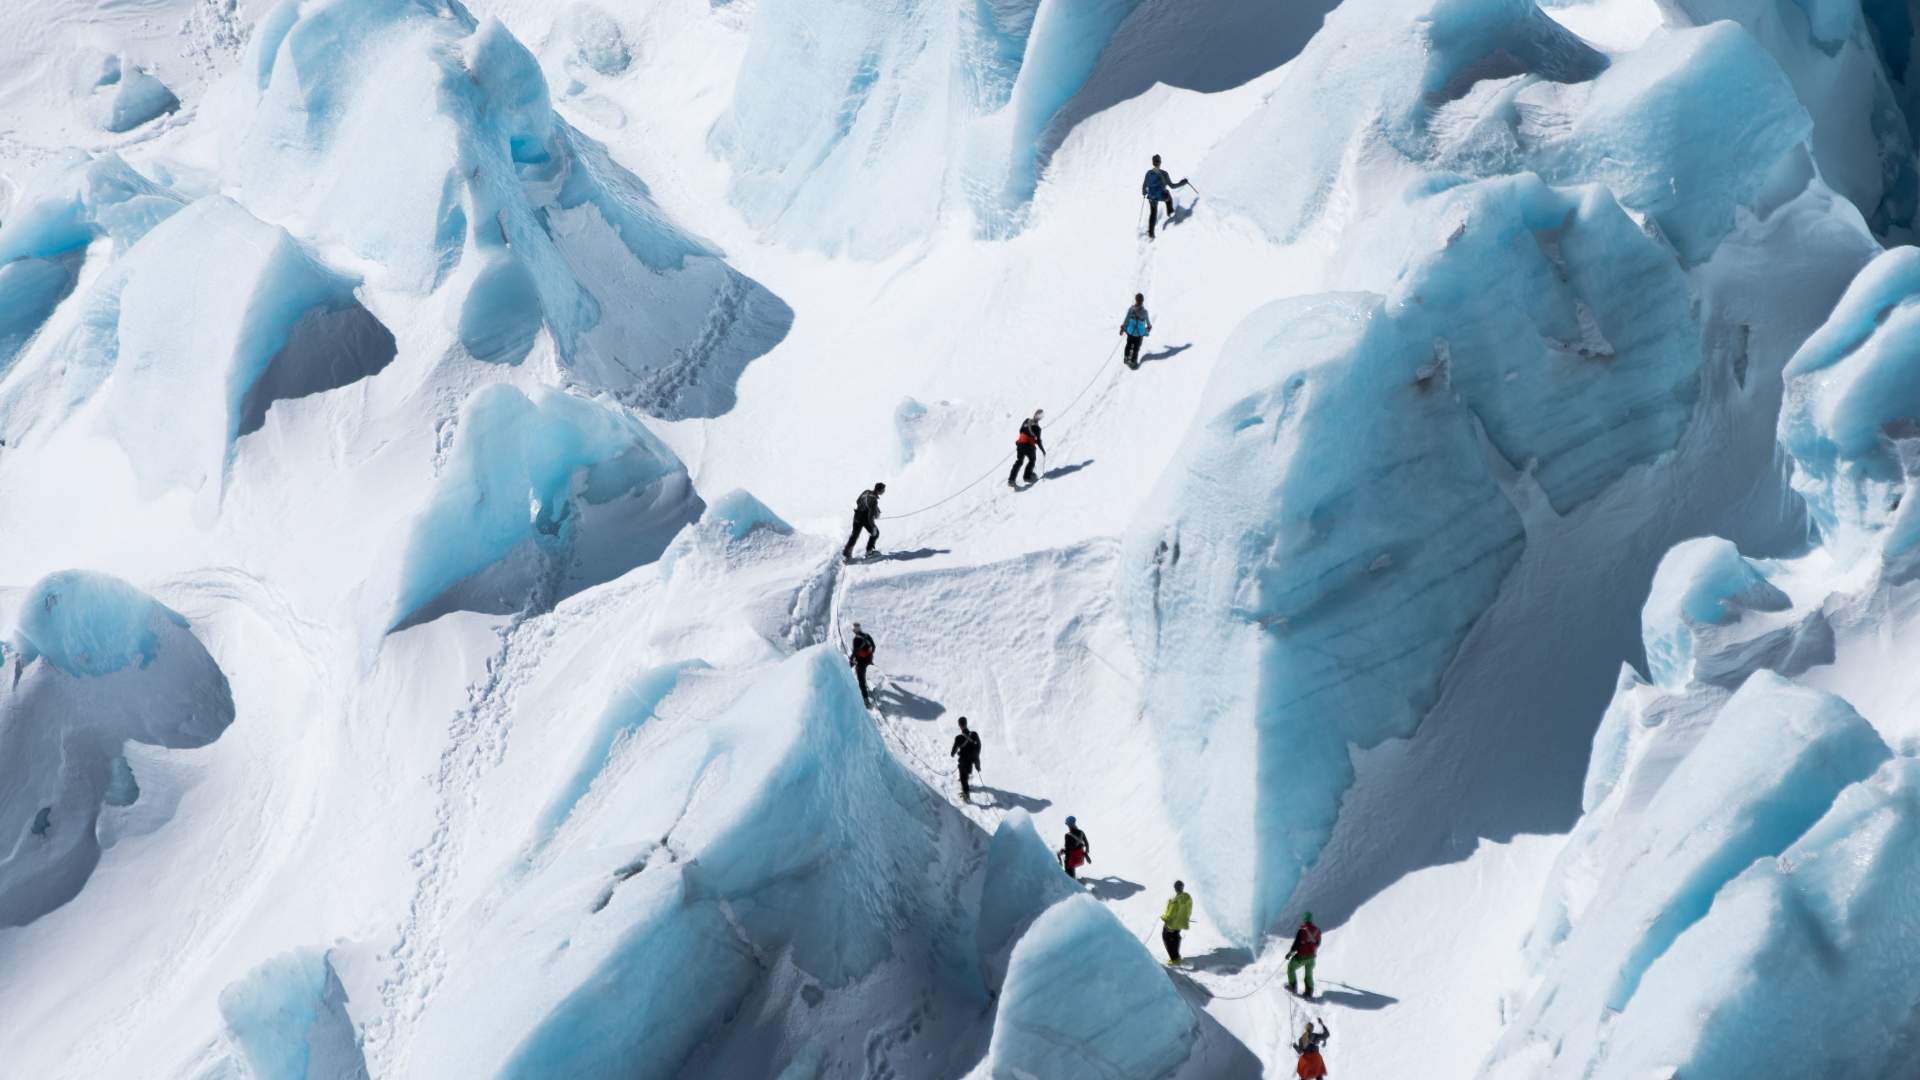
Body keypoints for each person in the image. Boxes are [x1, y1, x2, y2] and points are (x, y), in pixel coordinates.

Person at [1141, 154, 1190, 239]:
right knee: (1168, 196)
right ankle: (1170, 213)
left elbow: (1144, 186)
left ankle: (1151, 233)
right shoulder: (1164, 173)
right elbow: (1172, 186)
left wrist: (1144, 193)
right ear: (1160, 162)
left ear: (1153, 162)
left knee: (1153, 213)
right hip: (1161, 196)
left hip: (1151, 197)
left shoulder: (1148, 173)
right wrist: (1183, 182)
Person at [843, 482, 885, 562]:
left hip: (857, 515)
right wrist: (873, 526)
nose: (884, 491)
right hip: (865, 518)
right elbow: (870, 517)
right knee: (875, 533)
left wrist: (865, 507)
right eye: (883, 490)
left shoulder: (866, 491)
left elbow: (858, 501)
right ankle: (869, 552)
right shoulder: (874, 500)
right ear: (880, 490)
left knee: (854, 535)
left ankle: (847, 555)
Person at [1286, 912, 1322, 998]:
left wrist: (1290, 953)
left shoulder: (1302, 930)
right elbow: (1318, 944)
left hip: (1302, 956)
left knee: (1291, 967)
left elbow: (1296, 944)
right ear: (1311, 919)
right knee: (1308, 974)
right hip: (1312, 957)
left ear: (1304, 919)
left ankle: (1293, 986)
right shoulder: (1317, 930)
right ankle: (1309, 992)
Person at [1007, 409, 1044, 488]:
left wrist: (1020, 440)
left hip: (1020, 444)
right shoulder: (1038, 428)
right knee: (1032, 460)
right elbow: (1038, 441)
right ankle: (1027, 476)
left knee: (1019, 461)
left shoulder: (1026, 420)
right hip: (1029, 446)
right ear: (1040, 418)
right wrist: (1043, 450)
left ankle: (1011, 480)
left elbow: (1021, 430)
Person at [1160, 880, 1192, 966]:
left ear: (1175, 888)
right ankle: (1177, 956)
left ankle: (1174, 958)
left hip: (1172, 924)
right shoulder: (1187, 897)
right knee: (1175, 936)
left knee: (1166, 937)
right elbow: (1189, 909)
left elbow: (1171, 913)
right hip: (1181, 923)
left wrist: (1164, 917)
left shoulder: (1174, 899)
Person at [950, 716, 983, 800]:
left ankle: (966, 796)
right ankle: (966, 782)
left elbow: (953, 752)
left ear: (960, 725)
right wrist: (976, 761)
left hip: (964, 762)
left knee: (963, 779)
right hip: (972, 760)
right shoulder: (974, 734)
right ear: (966, 723)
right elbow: (979, 746)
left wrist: (953, 753)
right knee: (966, 773)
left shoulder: (958, 738)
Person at [849, 622, 876, 708]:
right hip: (869, 660)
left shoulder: (856, 639)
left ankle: (866, 701)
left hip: (860, 663)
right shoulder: (867, 636)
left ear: (854, 630)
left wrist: (850, 663)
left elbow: (855, 652)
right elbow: (874, 647)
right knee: (864, 676)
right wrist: (868, 656)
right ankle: (868, 690)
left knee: (861, 681)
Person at [1121, 293, 1152, 369]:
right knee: (1136, 347)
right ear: (1142, 301)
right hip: (1139, 334)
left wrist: (1122, 328)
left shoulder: (1131, 309)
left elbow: (1127, 319)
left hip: (1130, 332)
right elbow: (1148, 323)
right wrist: (1149, 327)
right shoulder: (1145, 312)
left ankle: (1126, 358)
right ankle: (1133, 361)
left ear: (1136, 300)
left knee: (1128, 344)